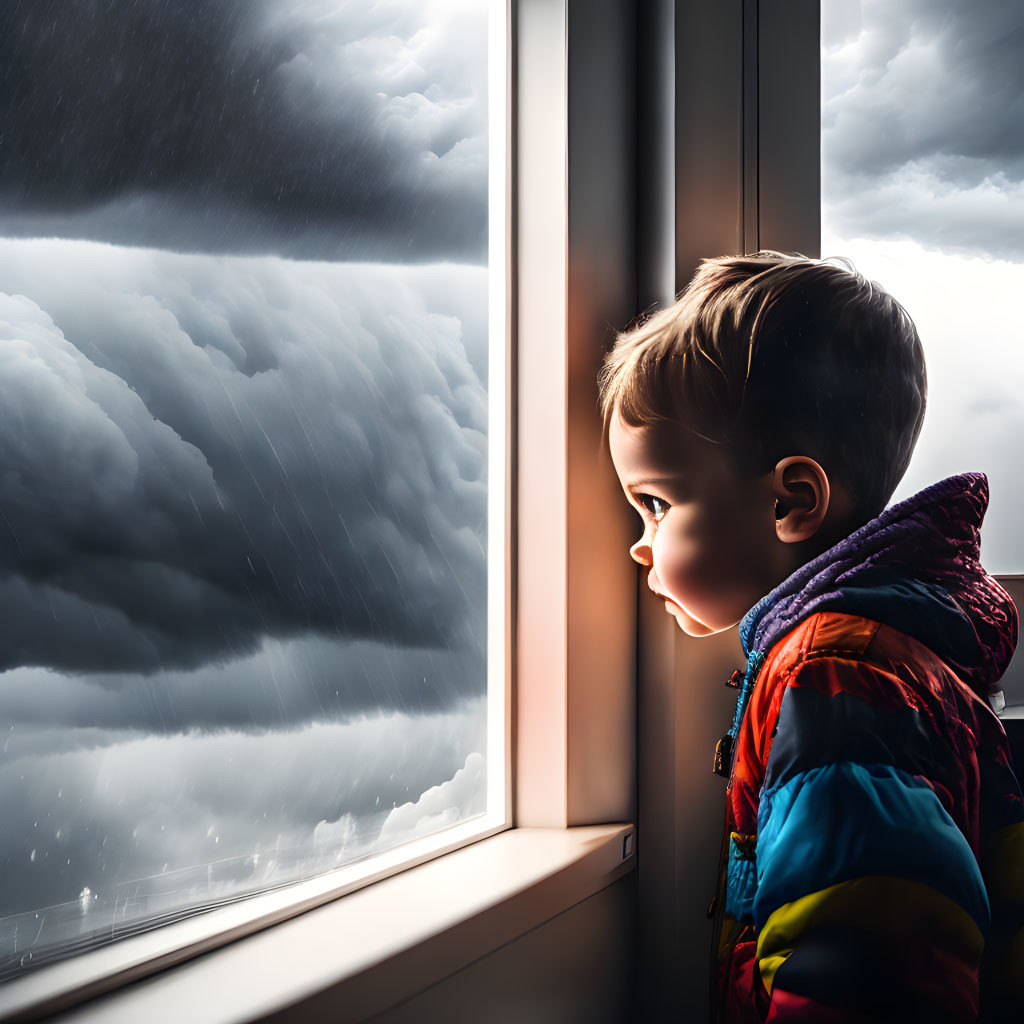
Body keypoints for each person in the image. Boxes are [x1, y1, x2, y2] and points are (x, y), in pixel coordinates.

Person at [598, 251, 1023, 1022]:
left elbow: (862, 975)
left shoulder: (835, 677)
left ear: (792, 502)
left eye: (657, 504)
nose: (639, 543)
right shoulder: (870, 650)